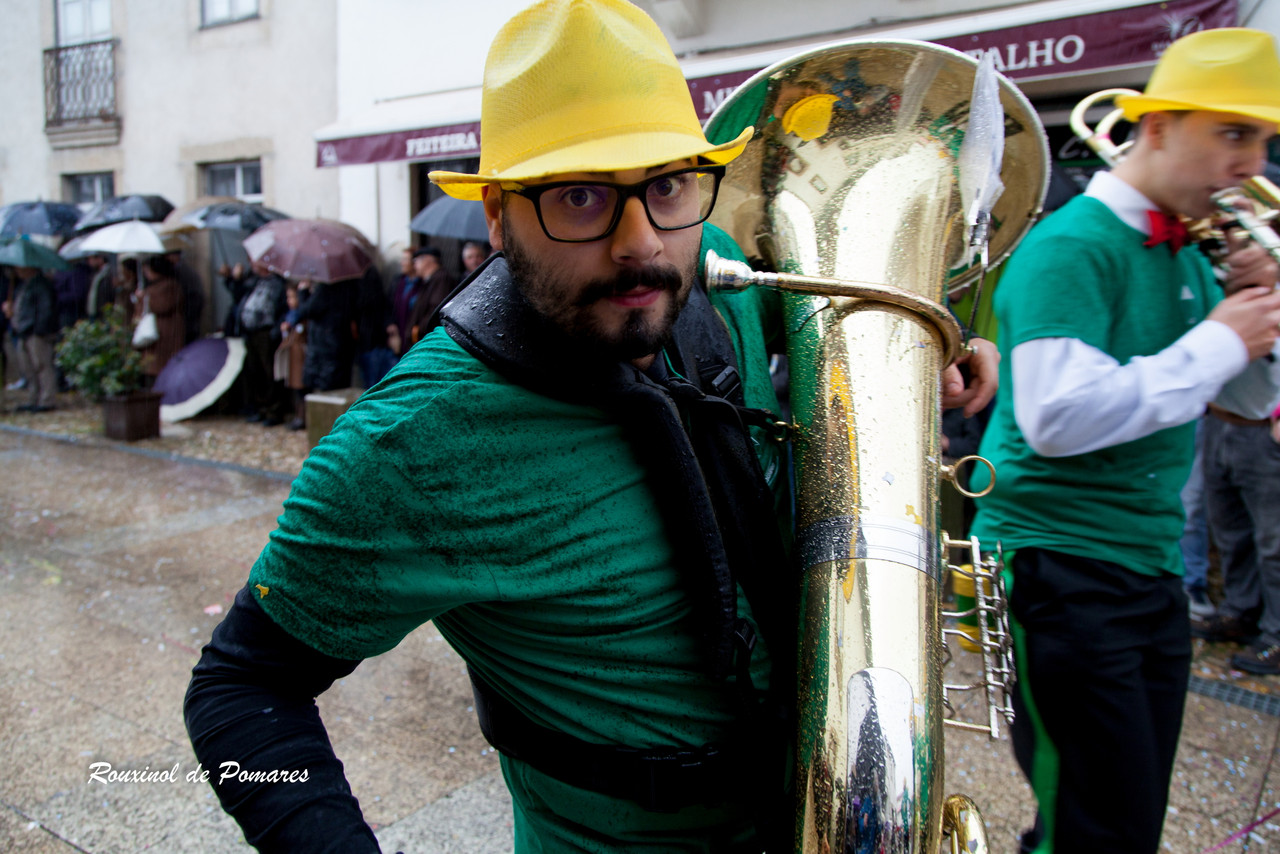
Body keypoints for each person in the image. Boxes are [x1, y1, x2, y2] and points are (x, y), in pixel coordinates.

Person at [184, 2, 997, 851]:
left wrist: (919, 353)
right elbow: (240, 692)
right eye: (580, 198)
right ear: (497, 216)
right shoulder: (408, 446)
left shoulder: (708, 254)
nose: (642, 243)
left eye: (668, 183)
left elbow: (787, 389)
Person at [969, 28, 1280, 854]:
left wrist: (1257, 317)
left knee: (1126, 817)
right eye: (1233, 133)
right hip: (1056, 563)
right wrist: (1218, 339)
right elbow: (1056, 417)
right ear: (1158, 128)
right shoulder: (1074, 243)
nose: (1251, 161)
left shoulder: (1194, 251)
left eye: (1262, 139)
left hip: (1139, 566)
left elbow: (1240, 401)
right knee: (1091, 822)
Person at [2, 265, 59, 412]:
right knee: (28, 368)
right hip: (23, 331)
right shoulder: (23, 285)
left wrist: (38, 330)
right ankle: (34, 397)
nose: (18, 271)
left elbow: (46, 310)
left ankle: (47, 400)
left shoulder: (41, 285)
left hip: (35, 332)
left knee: (42, 365)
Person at [135, 255, 185, 382]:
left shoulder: (169, 286)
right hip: (156, 336)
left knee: (163, 369)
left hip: (165, 335)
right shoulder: (153, 287)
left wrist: (144, 298)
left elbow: (162, 306)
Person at [403, 246, 455, 346]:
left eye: (416, 261)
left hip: (430, 341)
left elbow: (435, 309)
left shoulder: (441, 279)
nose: (414, 266)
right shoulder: (429, 281)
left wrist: (417, 331)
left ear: (427, 260)